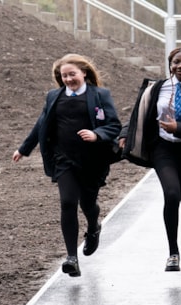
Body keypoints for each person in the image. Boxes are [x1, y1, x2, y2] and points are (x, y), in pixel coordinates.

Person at [12, 53, 122, 276]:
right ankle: (72, 257)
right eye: (64, 76)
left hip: (92, 160)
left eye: (72, 74)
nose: (69, 79)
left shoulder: (100, 95)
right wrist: (24, 149)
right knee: (68, 203)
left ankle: (93, 227)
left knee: (88, 204)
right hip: (64, 159)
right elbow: (41, 124)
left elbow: (114, 125)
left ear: (84, 73)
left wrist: (96, 134)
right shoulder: (54, 96)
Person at [119, 47, 181, 272]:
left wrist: (179, 128)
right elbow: (139, 112)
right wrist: (125, 134)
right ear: (170, 64)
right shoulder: (157, 88)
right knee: (172, 194)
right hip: (163, 149)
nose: (180, 66)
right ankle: (173, 252)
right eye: (176, 62)